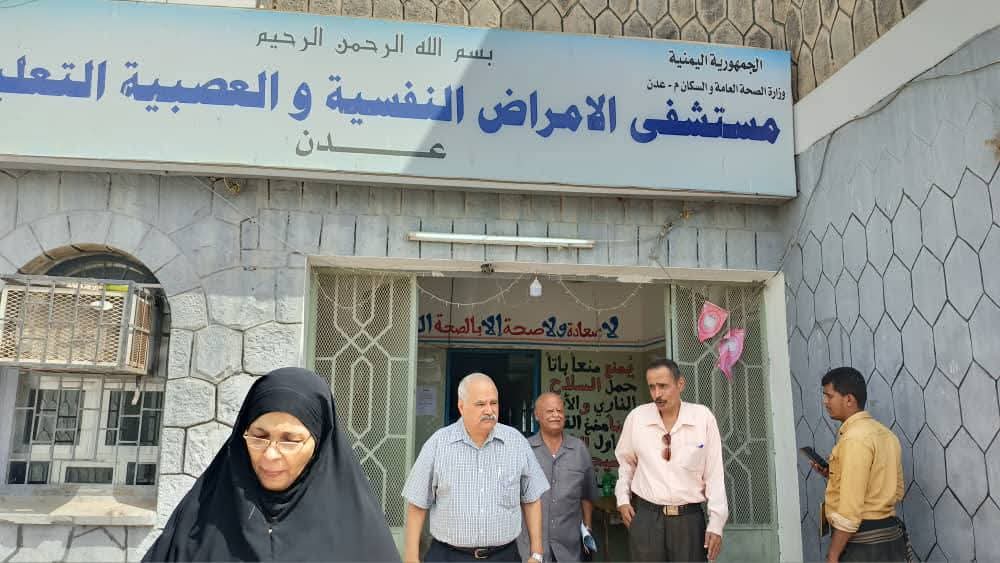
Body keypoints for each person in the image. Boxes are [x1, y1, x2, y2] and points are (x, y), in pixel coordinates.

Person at [144, 367, 400, 562]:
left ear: (319, 445)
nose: (270, 455)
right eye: (259, 436)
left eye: (290, 440)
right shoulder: (199, 518)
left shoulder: (358, 533)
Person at [402, 373, 550, 563]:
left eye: (493, 403)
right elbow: (417, 504)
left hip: (503, 556)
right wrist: (411, 558)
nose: (489, 410)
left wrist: (536, 553)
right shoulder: (438, 444)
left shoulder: (516, 442)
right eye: (480, 404)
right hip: (448, 556)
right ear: (461, 406)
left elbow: (532, 499)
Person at [614, 358, 727, 562]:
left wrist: (716, 523)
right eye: (652, 387)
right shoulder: (637, 418)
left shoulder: (702, 418)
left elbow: (714, 475)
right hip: (647, 518)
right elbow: (626, 463)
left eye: (663, 386)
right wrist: (622, 498)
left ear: (680, 384)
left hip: (688, 521)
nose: (657, 394)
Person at [812, 367, 910, 562]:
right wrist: (834, 475)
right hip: (891, 539)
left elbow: (849, 513)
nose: (825, 402)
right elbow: (897, 490)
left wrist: (833, 555)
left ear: (849, 399)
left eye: (829, 396)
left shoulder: (854, 440)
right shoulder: (887, 435)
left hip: (864, 546)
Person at [516, 392, 599, 563]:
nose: (556, 415)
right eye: (549, 411)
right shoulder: (524, 449)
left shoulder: (579, 449)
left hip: (570, 549)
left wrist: (587, 528)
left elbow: (587, 494)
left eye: (559, 411)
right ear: (537, 415)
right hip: (532, 549)